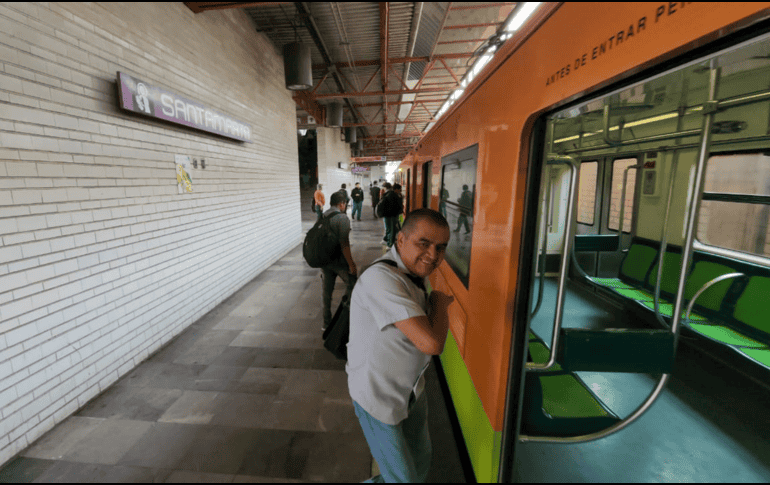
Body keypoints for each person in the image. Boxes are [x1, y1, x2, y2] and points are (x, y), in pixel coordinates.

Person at [347, 209, 453, 483]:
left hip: (411, 391)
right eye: (424, 244)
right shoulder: (382, 279)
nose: (433, 255)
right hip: (379, 398)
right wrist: (440, 305)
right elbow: (431, 343)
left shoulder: (410, 273)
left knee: (418, 464)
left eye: (440, 248)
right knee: (403, 479)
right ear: (401, 239)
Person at [321, 191, 358, 330]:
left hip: (325, 260)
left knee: (326, 293)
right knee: (353, 284)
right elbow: (344, 244)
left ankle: (326, 323)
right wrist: (351, 264)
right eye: (345, 203)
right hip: (338, 261)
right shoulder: (342, 218)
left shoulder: (324, 215)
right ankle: (346, 319)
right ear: (341, 203)